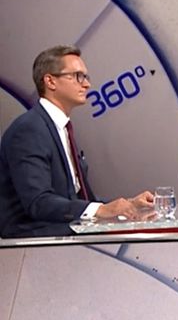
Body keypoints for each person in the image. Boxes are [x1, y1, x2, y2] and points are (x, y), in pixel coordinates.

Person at [0, 45, 155, 238]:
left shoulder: (61, 128)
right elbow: (38, 202)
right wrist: (101, 210)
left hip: (67, 236)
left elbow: (75, 200)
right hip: (33, 242)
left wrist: (128, 205)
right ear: (50, 81)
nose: (87, 84)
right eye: (78, 76)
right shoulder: (29, 130)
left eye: (86, 77)